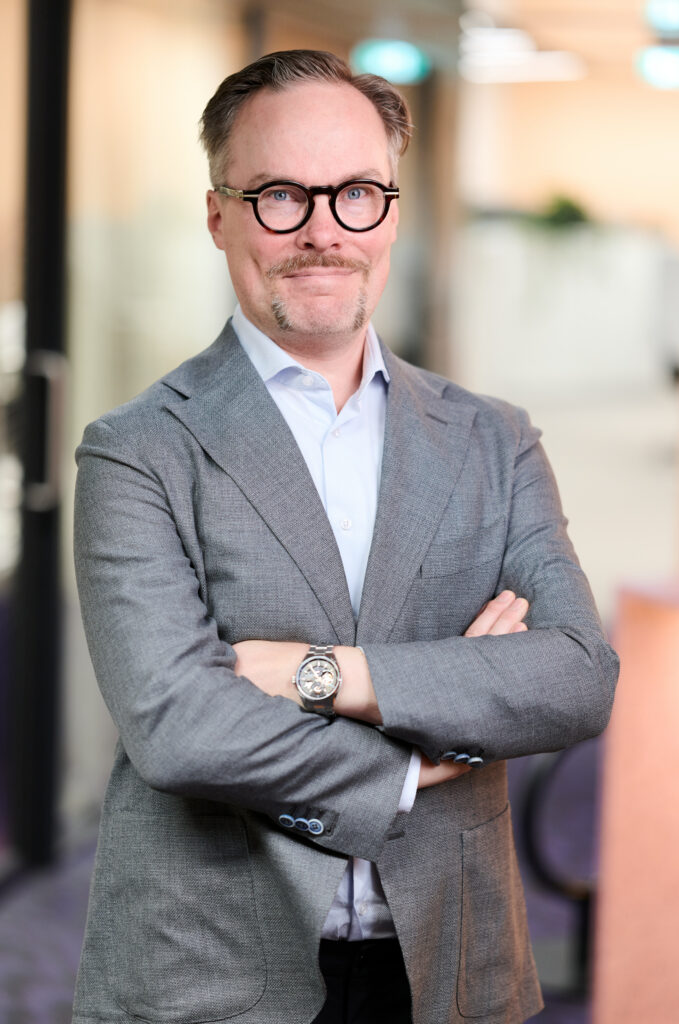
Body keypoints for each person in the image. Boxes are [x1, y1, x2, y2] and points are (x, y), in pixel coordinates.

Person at [72, 49, 619, 1024]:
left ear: (394, 212)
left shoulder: (493, 439)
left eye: (357, 192)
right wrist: (416, 760)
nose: (323, 231)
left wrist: (314, 673)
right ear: (218, 215)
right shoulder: (136, 450)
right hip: (208, 969)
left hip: (449, 958)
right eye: (280, 193)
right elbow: (178, 726)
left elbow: (575, 674)